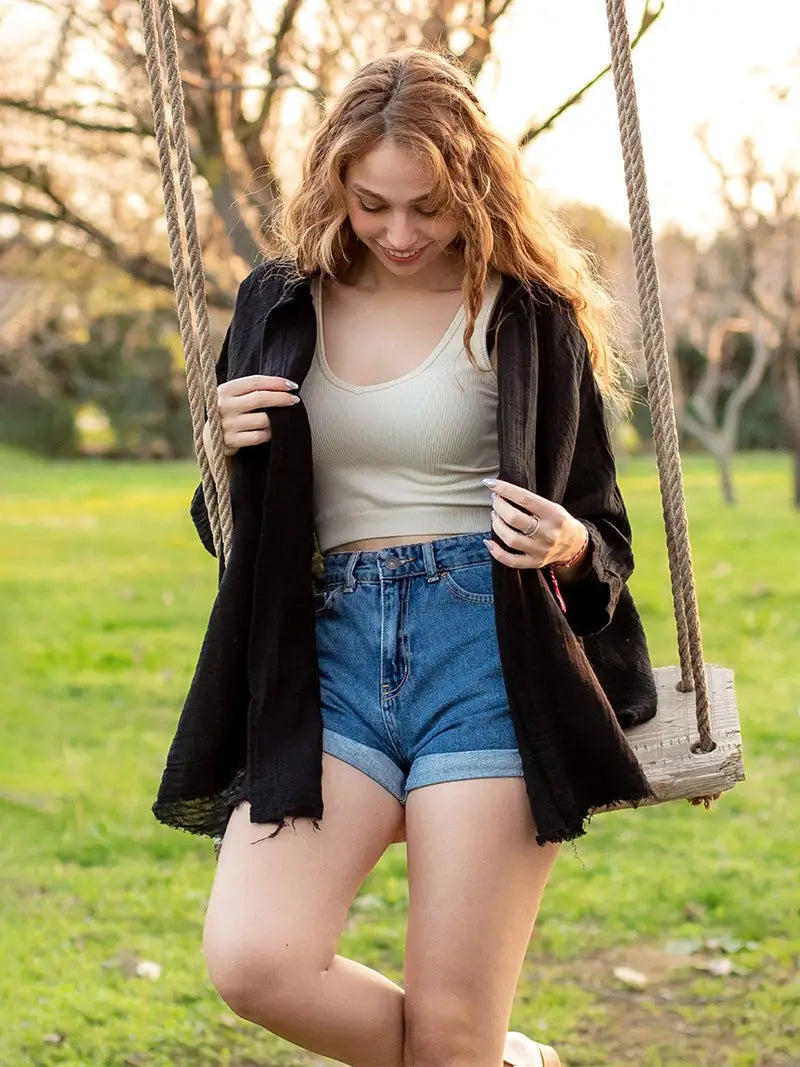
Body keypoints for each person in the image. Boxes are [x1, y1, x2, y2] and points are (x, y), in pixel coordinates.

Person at [181, 45, 652, 1067]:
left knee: (449, 1037)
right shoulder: (279, 302)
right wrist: (225, 451)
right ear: (335, 185)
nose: (399, 233)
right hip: (331, 659)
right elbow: (230, 535)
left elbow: (602, 535)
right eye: (372, 205)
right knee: (255, 962)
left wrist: (568, 545)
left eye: (428, 208)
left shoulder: (525, 313)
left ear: (474, 187)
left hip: (489, 653)